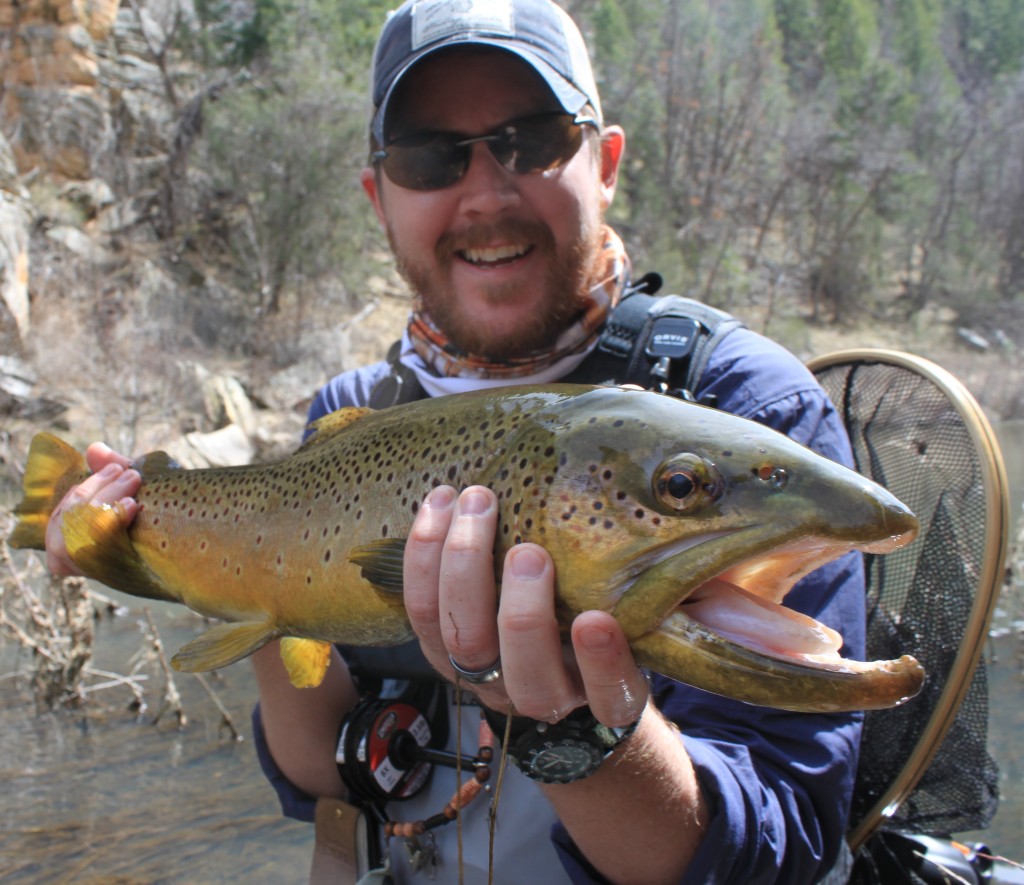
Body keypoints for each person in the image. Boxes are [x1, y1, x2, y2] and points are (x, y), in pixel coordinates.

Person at [43, 1, 866, 882]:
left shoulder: (743, 410)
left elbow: (784, 841)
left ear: (608, 161)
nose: (485, 193)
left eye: (533, 139)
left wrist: (579, 732)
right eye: (430, 155)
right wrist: (186, 568)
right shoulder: (353, 411)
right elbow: (327, 768)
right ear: (379, 197)